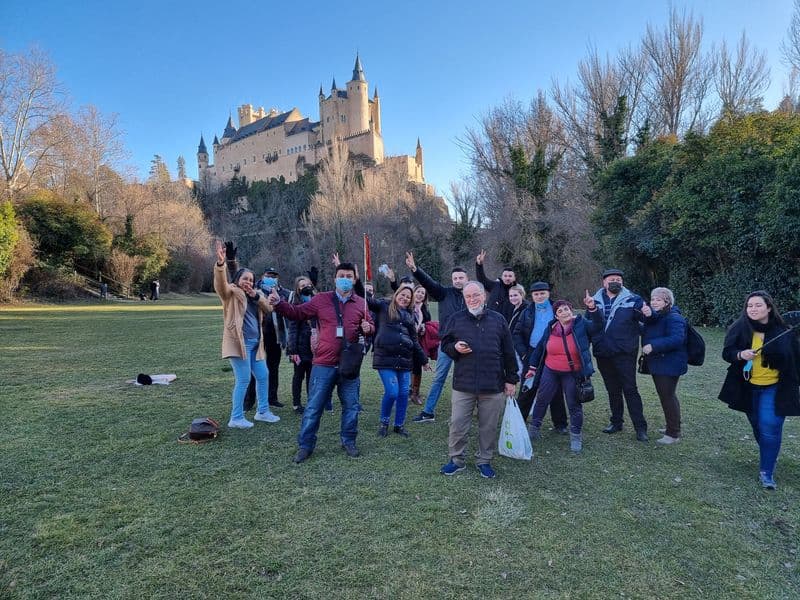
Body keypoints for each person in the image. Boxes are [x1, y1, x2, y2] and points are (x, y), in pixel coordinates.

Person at [270, 261, 374, 463]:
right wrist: (279, 304)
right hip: (324, 363)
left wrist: (369, 328)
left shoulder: (361, 303)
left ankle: (348, 440)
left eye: (349, 276)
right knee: (313, 407)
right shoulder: (321, 299)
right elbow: (297, 312)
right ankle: (305, 445)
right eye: (341, 276)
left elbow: (370, 324)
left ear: (355, 280)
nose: (345, 279)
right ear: (335, 279)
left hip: (349, 365)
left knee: (351, 407)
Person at [718, 291, 800, 490]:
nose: (752, 309)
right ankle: (769, 453)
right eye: (749, 306)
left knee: (770, 426)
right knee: (758, 426)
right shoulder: (740, 328)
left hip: (775, 387)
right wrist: (741, 354)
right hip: (747, 387)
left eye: (758, 305)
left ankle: (766, 472)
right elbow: (727, 353)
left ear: (769, 308)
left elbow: (795, 358)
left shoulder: (784, 331)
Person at [439, 281, 519, 478]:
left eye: (476, 295)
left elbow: (509, 351)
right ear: (464, 298)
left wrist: (511, 379)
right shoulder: (456, 319)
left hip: (493, 383)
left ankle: (484, 460)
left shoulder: (498, 319)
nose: (472, 299)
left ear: (484, 296)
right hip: (463, 383)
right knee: (458, 424)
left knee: (488, 426)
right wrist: (455, 348)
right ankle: (456, 459)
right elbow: (445, 344)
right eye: (468, 296)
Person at [212, 241, 280, 429]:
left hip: (256, 345)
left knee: (263, 375)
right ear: (237, 280)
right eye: (245, 279)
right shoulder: (231, 293)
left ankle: (263, 412)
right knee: (243, 379)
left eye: (251, 279)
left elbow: (269, 309)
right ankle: (236, 418)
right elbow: (220, 286)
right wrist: (220, 265)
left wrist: (256, 296)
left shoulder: (256, 295)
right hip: (239, 344)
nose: (248, 282)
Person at [525, 300, 603, 453]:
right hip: (550, 370)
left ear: (571, 310)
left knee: (574, 404)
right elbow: (540, 347)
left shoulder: (582, 324)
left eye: (566, 309)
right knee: (542, 399)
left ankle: (576, 437)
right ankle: (534, 429)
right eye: (560, 311)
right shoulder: (551, 327)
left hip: (572, 372)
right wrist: (532, 368)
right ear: (556, 316)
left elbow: (598, 326)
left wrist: (593, 308)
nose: (564, 312)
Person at [405, 251, 468, 423]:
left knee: (466, 379)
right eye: (455, 278)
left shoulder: (472, 295)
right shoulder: (443, 293)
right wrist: (415, 270)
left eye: (461, 278)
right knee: (439, 378)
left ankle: (466, 411)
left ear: (466, 279)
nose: (458, 280)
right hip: (446, 344)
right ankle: (428, 412)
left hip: (467, 344)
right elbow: (429, 282)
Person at [589, 269, 649, 441]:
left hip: (625, 352)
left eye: (618, 279)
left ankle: (640, 428)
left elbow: (645, 320)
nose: (615, 281)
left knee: (630, 389)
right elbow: (590, 325)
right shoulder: (594, 301)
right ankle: (616, 422)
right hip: (603, 352)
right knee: (612, 389)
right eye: (611, 279)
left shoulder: (634, 299)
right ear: (604, 283)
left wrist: (648, 313)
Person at [368, 286, 428, 438]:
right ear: (396, 294)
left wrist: (424, 360)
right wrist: (357, 284)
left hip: (405, 360)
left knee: (403, 393)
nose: (405, 298)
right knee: (392, 391)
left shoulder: (410, 316)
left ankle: (398, 425)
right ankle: (384, 422)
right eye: (403, 294)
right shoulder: (384, 306)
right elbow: (366, 300)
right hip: (385, 359)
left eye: (408, 297)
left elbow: (414, 340)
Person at [512, 282, 568, 432]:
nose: (539, 296)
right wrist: (524, 353)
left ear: (548, 293)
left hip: (553, 353)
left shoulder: (558, 309)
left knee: (555, 389)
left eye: (542, 293)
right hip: (531, 354)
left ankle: (560, 424)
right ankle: (519, 420)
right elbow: (516, 334)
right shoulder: (527, 311)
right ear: (532, 296)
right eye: (536, 294)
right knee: (528, 387)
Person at [640, 287, 688, 445]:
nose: (654, 302)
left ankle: (673, 433)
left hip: (670, 364)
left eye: (658, 299)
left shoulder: (674, 317)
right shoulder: (659, 316)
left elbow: (677, 339)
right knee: (667, 395)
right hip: (660, 362)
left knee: (667, 396)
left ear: (667, 302)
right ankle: (672, 426)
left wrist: (653, 346)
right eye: (653, 299)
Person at [286, 275, 317, 414]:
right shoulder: (296, 305)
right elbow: (292, 329)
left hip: (314, 348)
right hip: (300, 347)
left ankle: (312, 402)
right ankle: (296, 404)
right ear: (298, 289)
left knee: (312, 376)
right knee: (298, 376)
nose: (306, 287)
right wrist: (293, 350)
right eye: (302, 285)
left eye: (308, 285)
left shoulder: (316, 302)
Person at [475, 249, 517, 321]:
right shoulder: (495, 285)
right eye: (505, 276)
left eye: (510, 276)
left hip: (508, 324)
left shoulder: (517, 290)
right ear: (502, 277)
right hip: (491, 321)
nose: (507, 278)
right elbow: (482, 279)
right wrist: (479, 265)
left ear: (514, 278)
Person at [507, 284, 528, 375]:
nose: (513, 298)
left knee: (521, 369)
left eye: (515, 295)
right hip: (512, 343)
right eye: (511, 296)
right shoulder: (512, 308)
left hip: (521, 344)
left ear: (522, 295)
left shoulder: (526, 309)